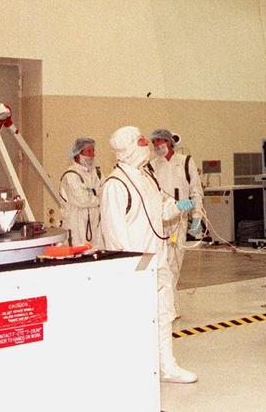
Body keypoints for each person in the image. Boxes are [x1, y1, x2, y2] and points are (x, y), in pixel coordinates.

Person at [100, 126, 197, 384]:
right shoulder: (116, 184)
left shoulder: (146, 177)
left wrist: (178, 206)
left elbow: (161, 211)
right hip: (137, 265)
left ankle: (167, 366)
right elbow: (114, 236)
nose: (147, 145)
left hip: (158, 258)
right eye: (142, 141)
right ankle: (133, 368)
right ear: (130, 147)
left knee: (164, 313)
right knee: (135, 318)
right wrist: (131, 268)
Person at [149, 128, 204, 304]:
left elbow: (196, 191)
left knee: (174, 262)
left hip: (179, 220)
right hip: (160, 221)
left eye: (160, 141)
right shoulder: (152, 166)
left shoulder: (185, 162)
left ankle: (170, 303)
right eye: (154, 142)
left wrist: (197, 216)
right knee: (160, 262)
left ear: (170, 141)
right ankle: (164, 302)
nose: (157, 145)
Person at [59, 137, 102, 246]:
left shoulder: (96, 173)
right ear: (78, 154)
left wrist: (93, 195)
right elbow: (82, 200)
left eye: (93, 151)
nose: (92, 155)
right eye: (88, 151)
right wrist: (97, 197)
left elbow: (105, 193)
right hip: (76, 225)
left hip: (94, 224)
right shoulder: (71, 175)